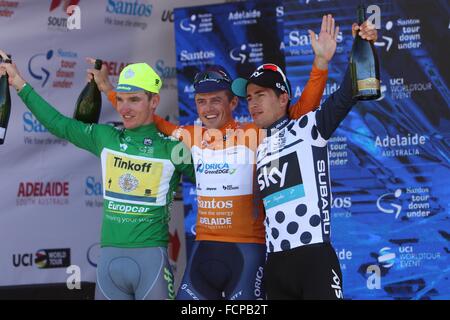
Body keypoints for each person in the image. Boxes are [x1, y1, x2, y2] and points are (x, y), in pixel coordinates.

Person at [88, 14, 341, 300]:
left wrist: (320, 64)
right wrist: (109, 90)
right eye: (200, 101)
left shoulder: (258, 133)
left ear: (233, 102)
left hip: (247, 251)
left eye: (216, 99)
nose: (208, 108)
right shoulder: (190, 136)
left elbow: (300, 114)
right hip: (205, 249)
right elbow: (146, 118)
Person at [0, 56, 195, 300]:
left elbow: (215, 184)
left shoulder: (174, 149)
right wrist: (19, 82)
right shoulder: (106, 137)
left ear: (154, 101)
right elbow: (58, 124)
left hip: (151, 262)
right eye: (121, 100)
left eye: (134, 100)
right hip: (109, 263)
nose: (124, 108)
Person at [230, 20, 378, 299]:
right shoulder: (256, 144)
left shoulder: (309, 127)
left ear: (283, 97)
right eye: (249, 98)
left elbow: (348, 94)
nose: (253, 104)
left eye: (260, 95)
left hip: (314, 260)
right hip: (275, 264)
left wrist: (363, 43)